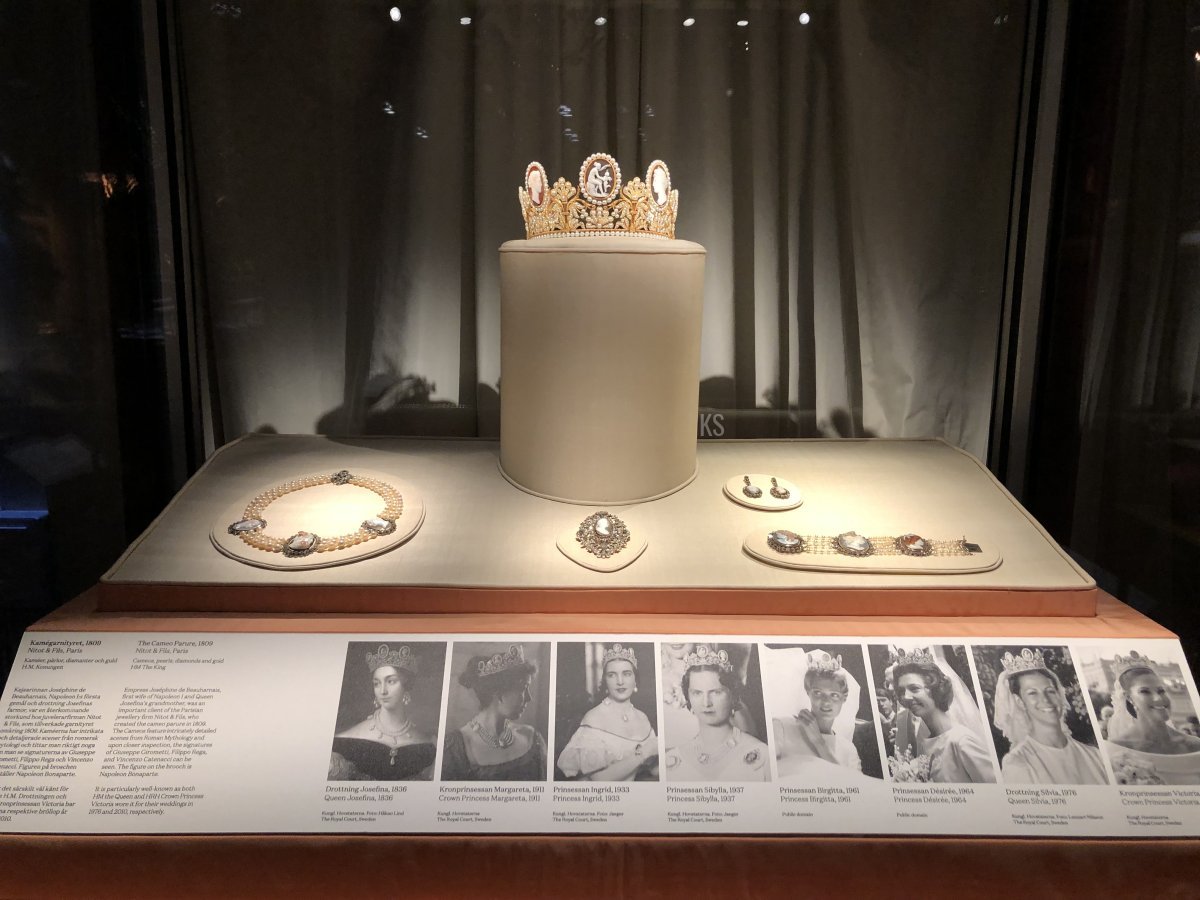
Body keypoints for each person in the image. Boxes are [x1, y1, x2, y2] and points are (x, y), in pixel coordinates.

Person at [992, 649, 1107, 785]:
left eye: (1050, 691)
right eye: (1032, 693)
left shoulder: (1094, 755)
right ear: (1020, 702)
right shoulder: (1018, 762)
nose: (1046, 699)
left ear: (1059, 694)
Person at [329, 644, 436, 780]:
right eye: (376, 683)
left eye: (391, 681)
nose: (383, 691)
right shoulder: (345, 740)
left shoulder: (428, 744)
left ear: (406, 686)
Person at [442, 644, 547, 781]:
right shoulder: (456, 747)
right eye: (523, 688)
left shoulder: (532, 739)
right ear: (498, 691)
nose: (529, 698)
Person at [664, 645, 768, 782]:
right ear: (688, 698)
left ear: (733, 695)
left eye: (716, 692)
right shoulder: (673, 760)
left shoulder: (761, 754)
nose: (706, 703)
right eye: (697, 693)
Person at [893, 648, 995, 784]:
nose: (906, 697)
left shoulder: (961, 741)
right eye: (901, 691)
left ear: (935, 689)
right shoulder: (925, 743)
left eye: (914, 688)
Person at [557, 644, 658, 781]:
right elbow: (599, 780)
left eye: (626, 674)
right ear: (605, 680)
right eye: (612, 675)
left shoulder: (642, 717)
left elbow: (652, 770)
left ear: (635, 680)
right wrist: (643, 754)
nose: (620, 682)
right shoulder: (594, 718)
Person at [767, 648, 864, 781]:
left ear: (844, 698)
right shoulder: (782, 727)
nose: (826, 702)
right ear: (808, 692)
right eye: (818, 693)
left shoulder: (848, 749)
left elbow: (857, 789)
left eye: (834, 695)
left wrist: (819, 743)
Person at [1104, 652, 1200, 784]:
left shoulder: (1195, 745)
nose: (1158, 698)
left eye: (1161, 691)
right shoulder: (1116, 751)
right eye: (1145, 691)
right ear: (1129, 698)